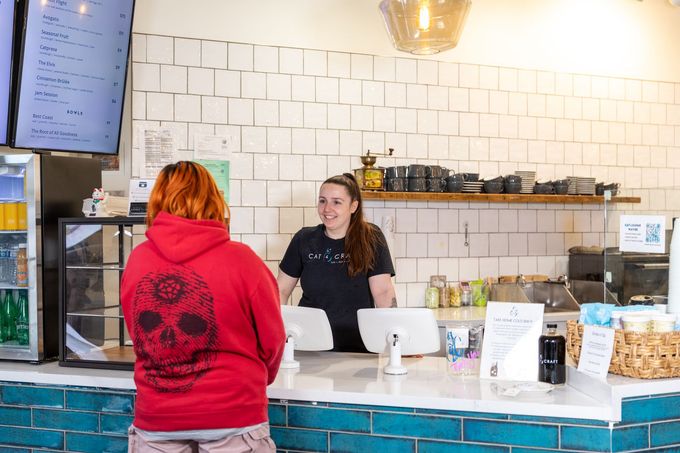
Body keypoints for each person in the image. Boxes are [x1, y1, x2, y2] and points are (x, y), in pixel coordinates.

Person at [121, 161, 285, 452]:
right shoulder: (243, 261)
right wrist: (255, 377)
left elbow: (140, 336)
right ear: (213, 200)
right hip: (234, 412)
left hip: (158, 417)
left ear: (157, 200)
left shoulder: (138, 260)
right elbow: (272, 341)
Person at [277, 173, 396, 352]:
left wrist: (395, 338)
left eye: (337, 202)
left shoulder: (371, 237)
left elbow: (384, 293)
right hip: (308, 344)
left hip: (358, 347)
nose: (327, 209)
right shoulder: (304, 239)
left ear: (353, 206)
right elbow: (281, 290)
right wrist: (274, 331)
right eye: (322, 201)